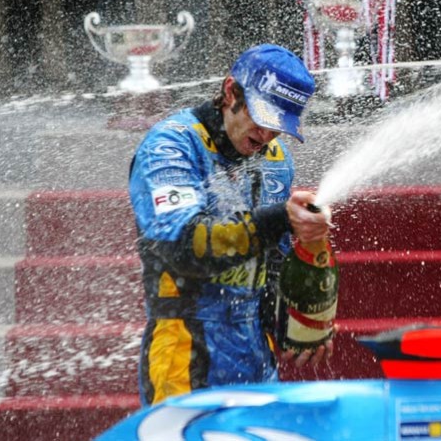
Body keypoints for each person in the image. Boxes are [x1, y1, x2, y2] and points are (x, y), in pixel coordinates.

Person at [128, 44, 332, 406]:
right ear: (230, 92)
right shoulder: (170, 145)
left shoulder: (277, 159)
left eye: (279, 125)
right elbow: (183, 247)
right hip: (184, 350)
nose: (267, 135)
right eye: (262, 117)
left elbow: (274, 263)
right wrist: (280, 219)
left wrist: (301, 317)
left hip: (255, 350)